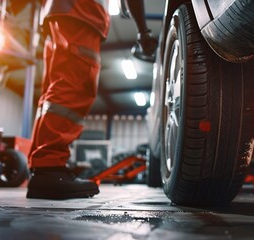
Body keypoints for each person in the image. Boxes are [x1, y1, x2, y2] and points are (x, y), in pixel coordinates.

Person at [27, 0, 157, 200]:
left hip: (59, 12)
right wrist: (143, 30)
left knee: (54, 91)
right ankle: (49, 169)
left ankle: (42, 167)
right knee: (75, 84)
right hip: (81, 10)